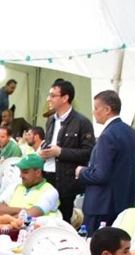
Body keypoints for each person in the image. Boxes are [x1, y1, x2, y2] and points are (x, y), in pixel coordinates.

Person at [75, 90, 135, 230]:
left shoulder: (107, 136)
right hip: (124, 202)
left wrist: (81, 172)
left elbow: (101, 175)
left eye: (96, 108)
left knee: (94, 245)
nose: (93, 112)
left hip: (101, 205)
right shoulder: (131, 132)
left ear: (107, 109)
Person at [39, 80, 95, 221]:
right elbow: (49, 144)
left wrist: (60, 152)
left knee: (62, 220)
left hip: (66, 180)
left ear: (65, 98)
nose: (48, 99)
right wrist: (43, 152)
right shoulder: (50, 120)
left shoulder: (82, 122)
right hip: (47, 175)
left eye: (53, 95)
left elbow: (88, 152)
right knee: (44, 217)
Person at [0, 154, 60, 219]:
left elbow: (31, 215)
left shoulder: (50, 191)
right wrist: (24, 210)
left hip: (38, 231)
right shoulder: (15, 186)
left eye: (25, 172)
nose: (21, 176)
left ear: (38, 172)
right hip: (9, 229)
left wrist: (6, 211)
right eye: (21, 172)